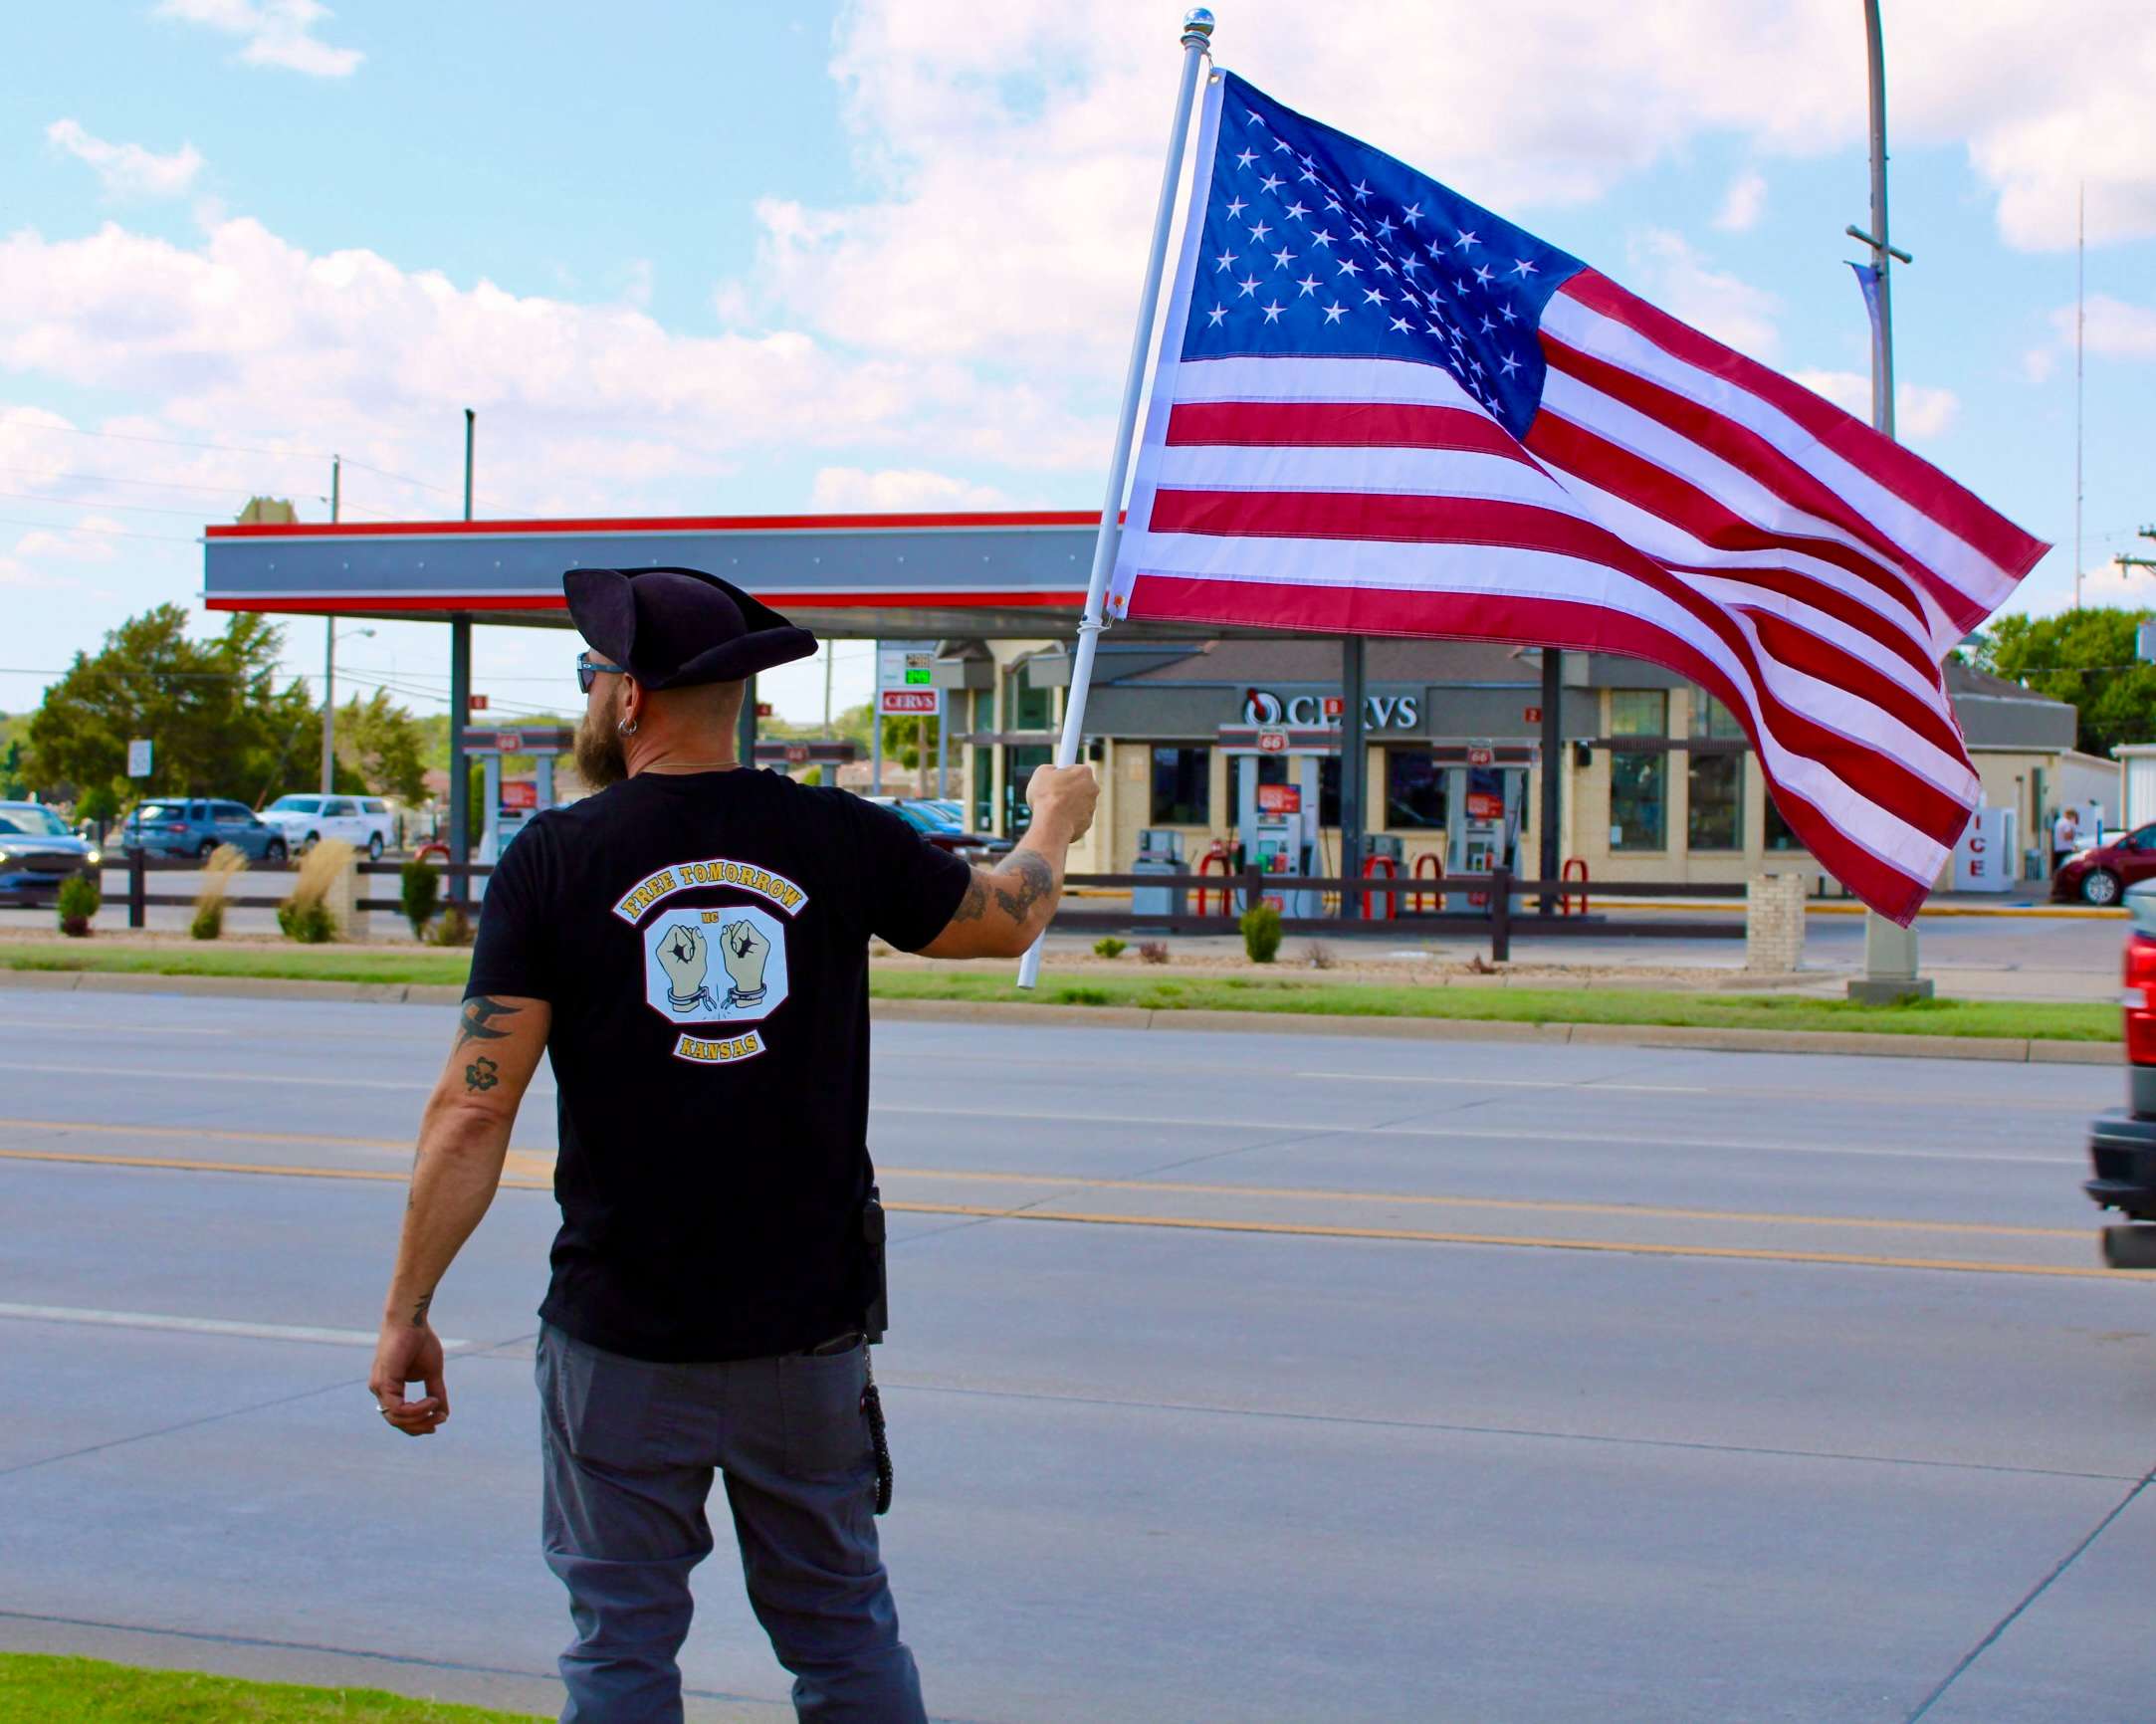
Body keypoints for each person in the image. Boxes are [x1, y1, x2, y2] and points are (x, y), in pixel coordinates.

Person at [367, 564, 1098, 1723]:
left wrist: (408, 1307)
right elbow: (1005, 913)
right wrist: (1055, 816)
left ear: (630, 700)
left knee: (619, 1651)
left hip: (619, 1343)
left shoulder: (553, 861)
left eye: (591, 674)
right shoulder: (839, 837)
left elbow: (472, 1106)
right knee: (844, 1640)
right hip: (803, 1344)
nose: (592, 694)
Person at [2052, 804, 2080, 874]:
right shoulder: (2067, 823)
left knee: (2058, 868)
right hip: (2065, 849)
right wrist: (2074, 832)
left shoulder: (2059, 821)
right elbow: (2067, 836)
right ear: (2072, 816)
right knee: (2066, 869)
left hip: (2058, 849)